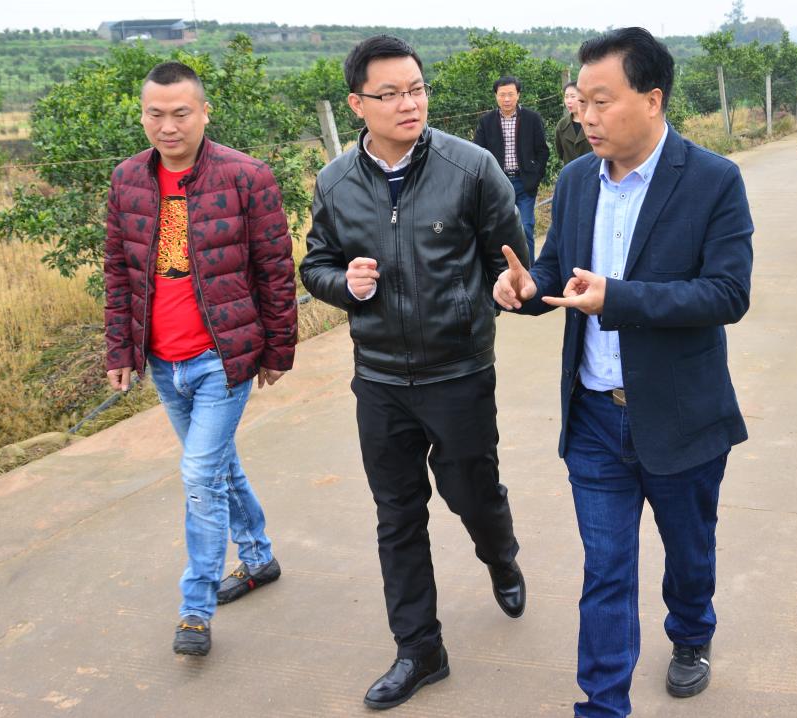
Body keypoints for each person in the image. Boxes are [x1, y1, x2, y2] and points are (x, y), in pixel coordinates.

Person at [493, 27, 753, 717]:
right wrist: (526, 288)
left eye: (601, 101)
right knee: (606, 571)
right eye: (581, 101)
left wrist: (620, 298)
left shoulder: (713, 181)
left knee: (689, 553)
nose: (586, 115)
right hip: (594, 420)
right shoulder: (578, 179)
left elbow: (728, 293)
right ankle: (602, 705)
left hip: (680, 415)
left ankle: (691, 632)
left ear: (652, 98)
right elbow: (557, 270)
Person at [300, 35, 529, 710]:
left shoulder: (471, 168)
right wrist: (344, 284)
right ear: (357, 105)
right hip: (378, 379)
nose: (409, 103)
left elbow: (513, 262)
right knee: (397, 515)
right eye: (391, 94)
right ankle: (419, 649)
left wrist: (510, 290)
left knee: (471, 494)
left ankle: (500, 555)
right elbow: (315, 264)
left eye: (417, 89)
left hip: (457, 371)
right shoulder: (335, 182)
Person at [104, 62, 298, 657]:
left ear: (205, 113)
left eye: (181, 113)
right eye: (155, 114)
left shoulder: (247, 176)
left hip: (223, 356)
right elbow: (118, 271)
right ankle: (258, 558)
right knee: (215, 468)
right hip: (163, 361)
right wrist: (120, 348)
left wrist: (278, 348)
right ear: (143, 116)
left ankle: (195, 607)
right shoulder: (127, 179)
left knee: (197, 477)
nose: (168, 126)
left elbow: (275, 269)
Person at [474, 75, 549, 261]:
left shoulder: (532, 118)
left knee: (526, 226)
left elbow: (542, 150)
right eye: (502, 95)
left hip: (524, 183)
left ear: (518, 95)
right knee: (499, 230)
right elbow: (478, 152)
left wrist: (535, 176)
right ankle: (504, 270)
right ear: (496, 96)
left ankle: (529, 271)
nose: (506, 99)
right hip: (498, 184)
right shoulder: (486, 122)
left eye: (510, 94)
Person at [555, 81, 593, 166]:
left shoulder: (593, 121)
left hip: (593, 171)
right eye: (566, 97)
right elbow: (560, 153)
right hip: (571, 172)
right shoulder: (562, 125)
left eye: (573, 96)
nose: (569, 101)